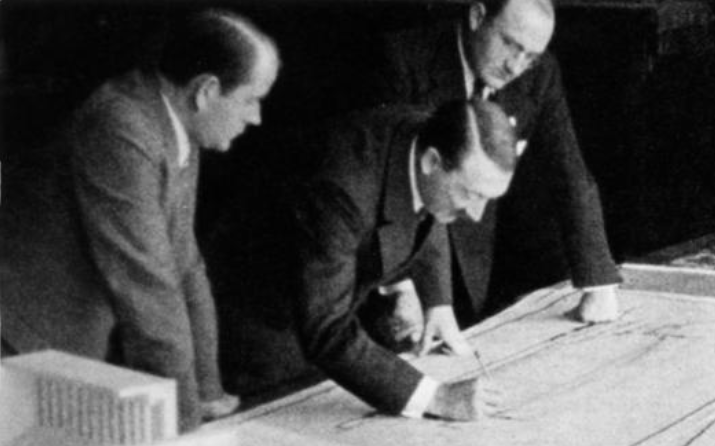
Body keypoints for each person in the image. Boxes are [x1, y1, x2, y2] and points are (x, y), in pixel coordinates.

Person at [0, 9, 280, 432]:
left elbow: (186, 266)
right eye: (250, 99)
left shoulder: (177, 125)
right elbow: (148, 287)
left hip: (60, 347)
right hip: (20, 341)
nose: (256, 117)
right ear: (206, 91)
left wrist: (208, 392)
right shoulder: (122, 125)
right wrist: (186, 426)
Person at [209, 99, 517, 420]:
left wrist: (436, 301)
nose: (476, 215)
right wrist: (436, 398)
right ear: (432, 162)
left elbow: (430, 206)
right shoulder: (342, 188)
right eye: (472, 194)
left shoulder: (423, 139)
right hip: (261, 338)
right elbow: (328, 328)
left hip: (318, 323)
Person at [371, 0, 622, 328]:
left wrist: (598, 284)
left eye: (529, 56)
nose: (515, 66)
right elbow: (384, 183)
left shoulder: (540, 72)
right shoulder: (401, 59)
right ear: (477, 16)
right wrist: (403, 287)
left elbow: (569, 172)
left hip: (472, 261)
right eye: (509, 44)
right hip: (395, 266)